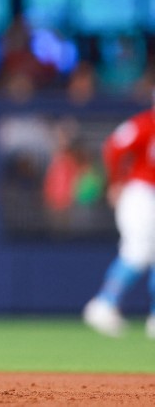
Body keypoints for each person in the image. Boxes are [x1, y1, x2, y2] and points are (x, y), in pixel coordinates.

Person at [82, 98, 155, 339]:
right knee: (138, 252)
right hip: (142, 194)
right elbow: (114, 146)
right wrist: (116, 181)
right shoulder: (146, 123)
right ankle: (104, 303)